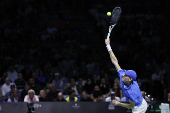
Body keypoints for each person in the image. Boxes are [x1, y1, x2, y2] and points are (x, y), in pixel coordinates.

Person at [105, 38, 147, 113]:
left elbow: (132, 106)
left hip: (139, 107)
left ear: (130, 79)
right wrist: (108, 46)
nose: (123, 75)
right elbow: (115, 61)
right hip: (138, 100)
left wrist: (118, 103)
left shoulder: (132, 92)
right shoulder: (122, 76)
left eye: (126, 75)